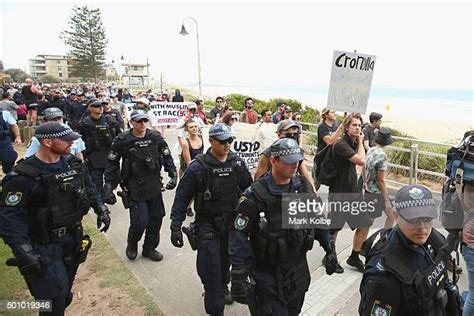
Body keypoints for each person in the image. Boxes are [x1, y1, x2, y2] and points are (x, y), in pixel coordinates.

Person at [0, 122, 111, 315]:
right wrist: (23, 251)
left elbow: (90, 187)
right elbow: (9, 219)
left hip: (72, 239)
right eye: (66, 139)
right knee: (53, 302)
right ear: (48, 142)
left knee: (64, 295)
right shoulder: (22, 177)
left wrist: (100, 208)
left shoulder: (73, 164)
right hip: (42, 246)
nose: (72, 142)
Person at [228, 138, 338, 315]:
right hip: (267, 275)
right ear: (273, 161)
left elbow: (317, 218)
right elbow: (238, 236)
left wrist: (329, 247)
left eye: (297, 160)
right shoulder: (255, 196)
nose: (295, 165)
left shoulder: (301, 187)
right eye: (289, 161)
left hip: (297, 271)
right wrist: (238, 275)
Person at [170, 123, 253, 315]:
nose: (227, 145)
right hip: (207, 225)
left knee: (226, 263)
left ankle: (222, 286)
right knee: (211, 269)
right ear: (211, 141)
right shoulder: (198, 167)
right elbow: (182, 197)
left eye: (230, 141)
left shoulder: (237, 163)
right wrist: (175, 225)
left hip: (232, 224)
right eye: (222, 141)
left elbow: (250, 191)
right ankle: (215, 303)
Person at [359, 185, 455, 315]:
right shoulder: (384, 278)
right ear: (396, 215)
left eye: (427, 218)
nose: (422, 227)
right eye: (413, 219)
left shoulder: (434, 240)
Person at [104, 110, 177, 261]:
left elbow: (166, 155)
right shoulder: (122, 139)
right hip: (133, 186)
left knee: (156, 218)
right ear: (131, 122)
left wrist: (173, 173)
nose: (143, 124)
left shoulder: (155, 136)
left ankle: (149, 248)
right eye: (139, 121)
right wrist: (109, 186)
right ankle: (132, 244)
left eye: (145, 121)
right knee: (140, 221)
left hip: (154, 183)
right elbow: (112, 163)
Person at [329, 112, 367, 274]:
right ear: (346, 127)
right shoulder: (340, 145)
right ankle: (330, 257)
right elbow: (361, 160)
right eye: (354, 125)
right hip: (340, 192)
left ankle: (354, 256)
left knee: (364, 223)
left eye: (359, 125)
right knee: (334, 229)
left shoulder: (351, 143)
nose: (358, 128)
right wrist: (360, 141)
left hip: (352, 192)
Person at [77, 100, 122, 199]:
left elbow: (119, 136)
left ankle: (108, 191)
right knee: (96, 181)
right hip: (94, 156)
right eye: (97, 106)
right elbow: (79, 142)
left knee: (115, 178)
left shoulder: (110, 121)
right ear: (90, 108)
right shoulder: (85, 123)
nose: (100, 108)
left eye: (101, 106)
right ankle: (100, 201)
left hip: (110, 154)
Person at [254, 120, 315, 191]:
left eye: (295, 135)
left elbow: (306, 175)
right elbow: (258, 181)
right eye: (288, 135)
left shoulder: (297, 151)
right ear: (279, 134)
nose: (292, 137)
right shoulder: (267, 154)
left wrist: (314, 193)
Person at [364, 127, 396, 228]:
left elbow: (363, 168)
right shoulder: (382, 156)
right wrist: (386, 198)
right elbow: (381, 180)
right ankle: (384, 238)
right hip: (377, 192)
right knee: (368, 222)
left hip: (368, 189)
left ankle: (384, 238)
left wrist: (365, 183)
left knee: (369, 221)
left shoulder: (371, 150)